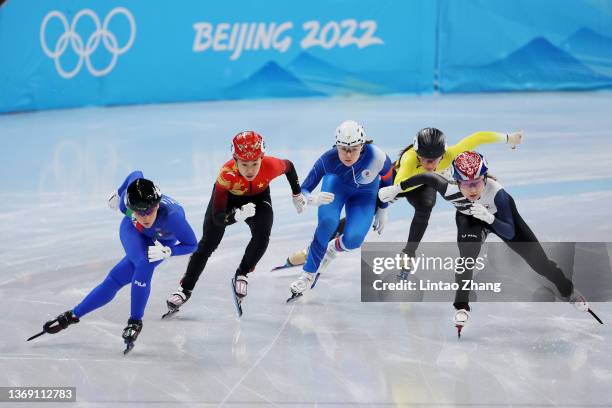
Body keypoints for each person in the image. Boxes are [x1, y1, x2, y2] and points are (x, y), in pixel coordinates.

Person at [378, 151, 599, 336]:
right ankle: (462, 305)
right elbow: (425, 178)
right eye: (466, 184)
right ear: (456, 182)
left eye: (476, 183)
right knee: (466, 262)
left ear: (485, 179)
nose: (472, 190)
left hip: (501, 218)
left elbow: (510, 231)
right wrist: (396, 189)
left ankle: (567, 289)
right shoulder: (448, 187)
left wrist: (489, 217)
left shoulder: (498, 195)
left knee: (539, 262)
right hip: (470, 219)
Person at [281, 128, 523, 272]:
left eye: (435, 159)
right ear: (416, 153)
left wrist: (508, 138)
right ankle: (317, 246)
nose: (431, 163)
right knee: (365, 211)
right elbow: (400, 186)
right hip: (399, 183)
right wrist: (385, 203)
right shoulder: (408, 161)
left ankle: (409, 253)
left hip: (425, 184)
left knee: (426, 205)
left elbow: (479, 137)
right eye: (425, 159)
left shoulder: (451, 153)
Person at [29, 171, 198, 353]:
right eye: (139, 213)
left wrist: (169, 250)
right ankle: (135, 322)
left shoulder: (173, 217)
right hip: (133, 232)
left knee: (117, 279)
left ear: (157, 204)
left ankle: (72, 316)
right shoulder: (124, 204)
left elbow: (192, 244)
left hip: (162, 242)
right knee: (143, 263)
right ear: (130, 208)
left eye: (150, 211)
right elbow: (136, 174)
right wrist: (118, 193)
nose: (146, 217)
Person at [165, 131, 301, 315]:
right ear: (235, 160)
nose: (250, 170)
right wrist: (235, 216)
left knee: (263, 234)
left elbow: (290, 167)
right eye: (244, 164)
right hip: (228, 200)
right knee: (208, 244)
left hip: (258, 198)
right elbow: (217, 218)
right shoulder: (226, 175)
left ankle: (243, 273)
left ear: (262, 157)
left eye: (255, 163)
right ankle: (185, 289)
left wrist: (297, 193)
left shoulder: (271, 165)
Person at [288, 120, 393, 299]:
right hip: (335, 188)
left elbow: (388, 180)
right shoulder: (327, 159)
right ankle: (307, 274)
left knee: (353, 240)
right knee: (328, 223)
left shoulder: (377, 156)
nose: (348, 154)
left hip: (365, 195)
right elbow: (302, 190)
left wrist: (383, 207)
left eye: (353, 148)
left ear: (363, 145)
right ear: (336, 145)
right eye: (343, 148)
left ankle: (331, 250)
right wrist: (312, 199)